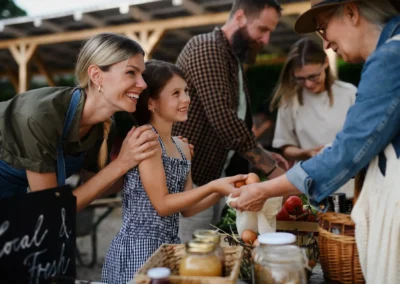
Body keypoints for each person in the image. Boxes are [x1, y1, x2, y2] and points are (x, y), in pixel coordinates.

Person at [230, 0, 400, 282]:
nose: (327, 45)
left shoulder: (389, 59)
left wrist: (264, 190)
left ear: (351, 12)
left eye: (323, 29)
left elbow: (347, 151)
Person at [101, 60, 246, 283]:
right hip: (137, 250)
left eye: (186, 91)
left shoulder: (182, 147)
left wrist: (223, 190)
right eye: (176, 93)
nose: (186, 99)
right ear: (151, 103)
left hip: (168, 248)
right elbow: (163, 204)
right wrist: (213, 186)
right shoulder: (146, 141)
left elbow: (186, 210)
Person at [172, 0, 290, 243]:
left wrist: (262, 151)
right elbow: (224, 119)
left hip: (211, 179)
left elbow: (237, 122)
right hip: (189, 184)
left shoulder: (230, 58)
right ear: (239, 17)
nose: (266, 40)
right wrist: (270, 167)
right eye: (262, 29)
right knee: (193, 264)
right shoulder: (206, 48)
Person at [0, 33, 159, 211]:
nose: (143, 84)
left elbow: (96, 185)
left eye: (142, 74)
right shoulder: (39, 116)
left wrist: (145, 165)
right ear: (96, 75)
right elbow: (51, 208)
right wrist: (121, 162)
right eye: (131, 72)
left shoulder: (104, 128)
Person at [270, 37, 357, 197]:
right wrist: (307, 152)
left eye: (313, 76)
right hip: (311, 186)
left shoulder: (349, 93)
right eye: (300, 78)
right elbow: (285, 147)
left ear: (325, 63)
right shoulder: (289, 101)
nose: (308, 84)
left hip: (350, 184)